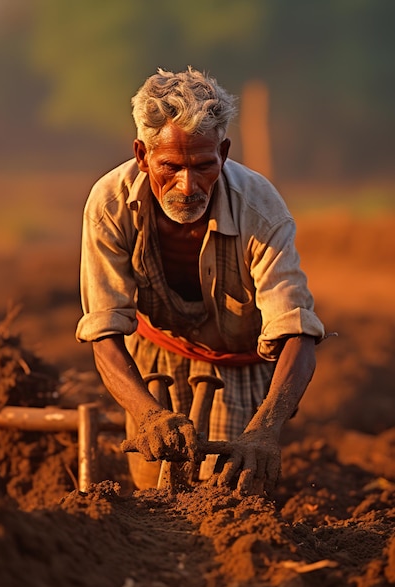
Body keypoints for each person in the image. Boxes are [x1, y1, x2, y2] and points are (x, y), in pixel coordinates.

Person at [75, 67, 325, 495]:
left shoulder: (260, 208)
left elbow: (296, 331)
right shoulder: (110, 204)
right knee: (151, 494)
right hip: (155, 353)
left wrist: (265, 429)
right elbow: (103, 329)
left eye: (203, 166)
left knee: (226, 494)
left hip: (237, 362)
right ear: (141, 154)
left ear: (224, 152)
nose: (187, 186)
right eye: (170, 166)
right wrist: (149, 415)